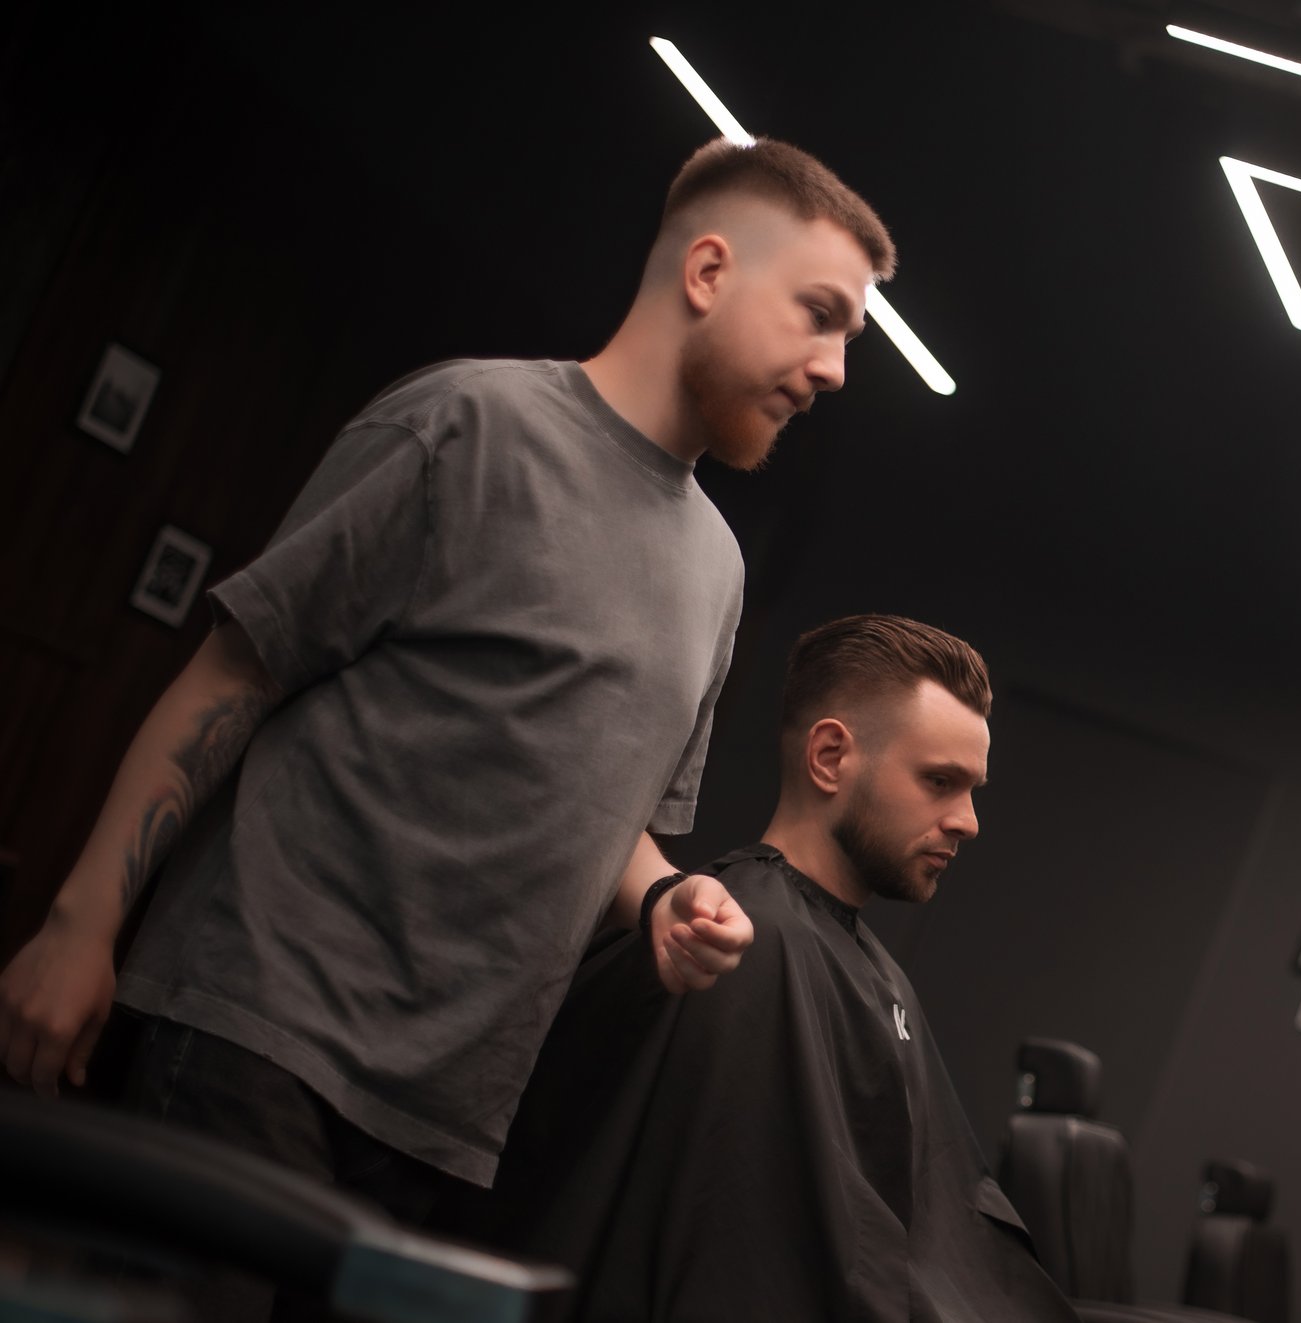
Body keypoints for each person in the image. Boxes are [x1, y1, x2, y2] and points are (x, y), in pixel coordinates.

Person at [0, 136, 895, 1233]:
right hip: (256, 1037)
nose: (836, 370)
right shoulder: (465, 425)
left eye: (851, 337)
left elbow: (611, 815)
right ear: (708, 273)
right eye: (819, 314)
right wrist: (78, 928)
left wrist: (665, 899)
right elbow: (229, 678)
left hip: (446, 1121)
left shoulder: (719, 569)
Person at [445, 614, 1080, 1323]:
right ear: (831, 756)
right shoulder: (738, 945)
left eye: (973, 790)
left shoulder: (871, 970)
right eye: (940, 780)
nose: (968, 820)